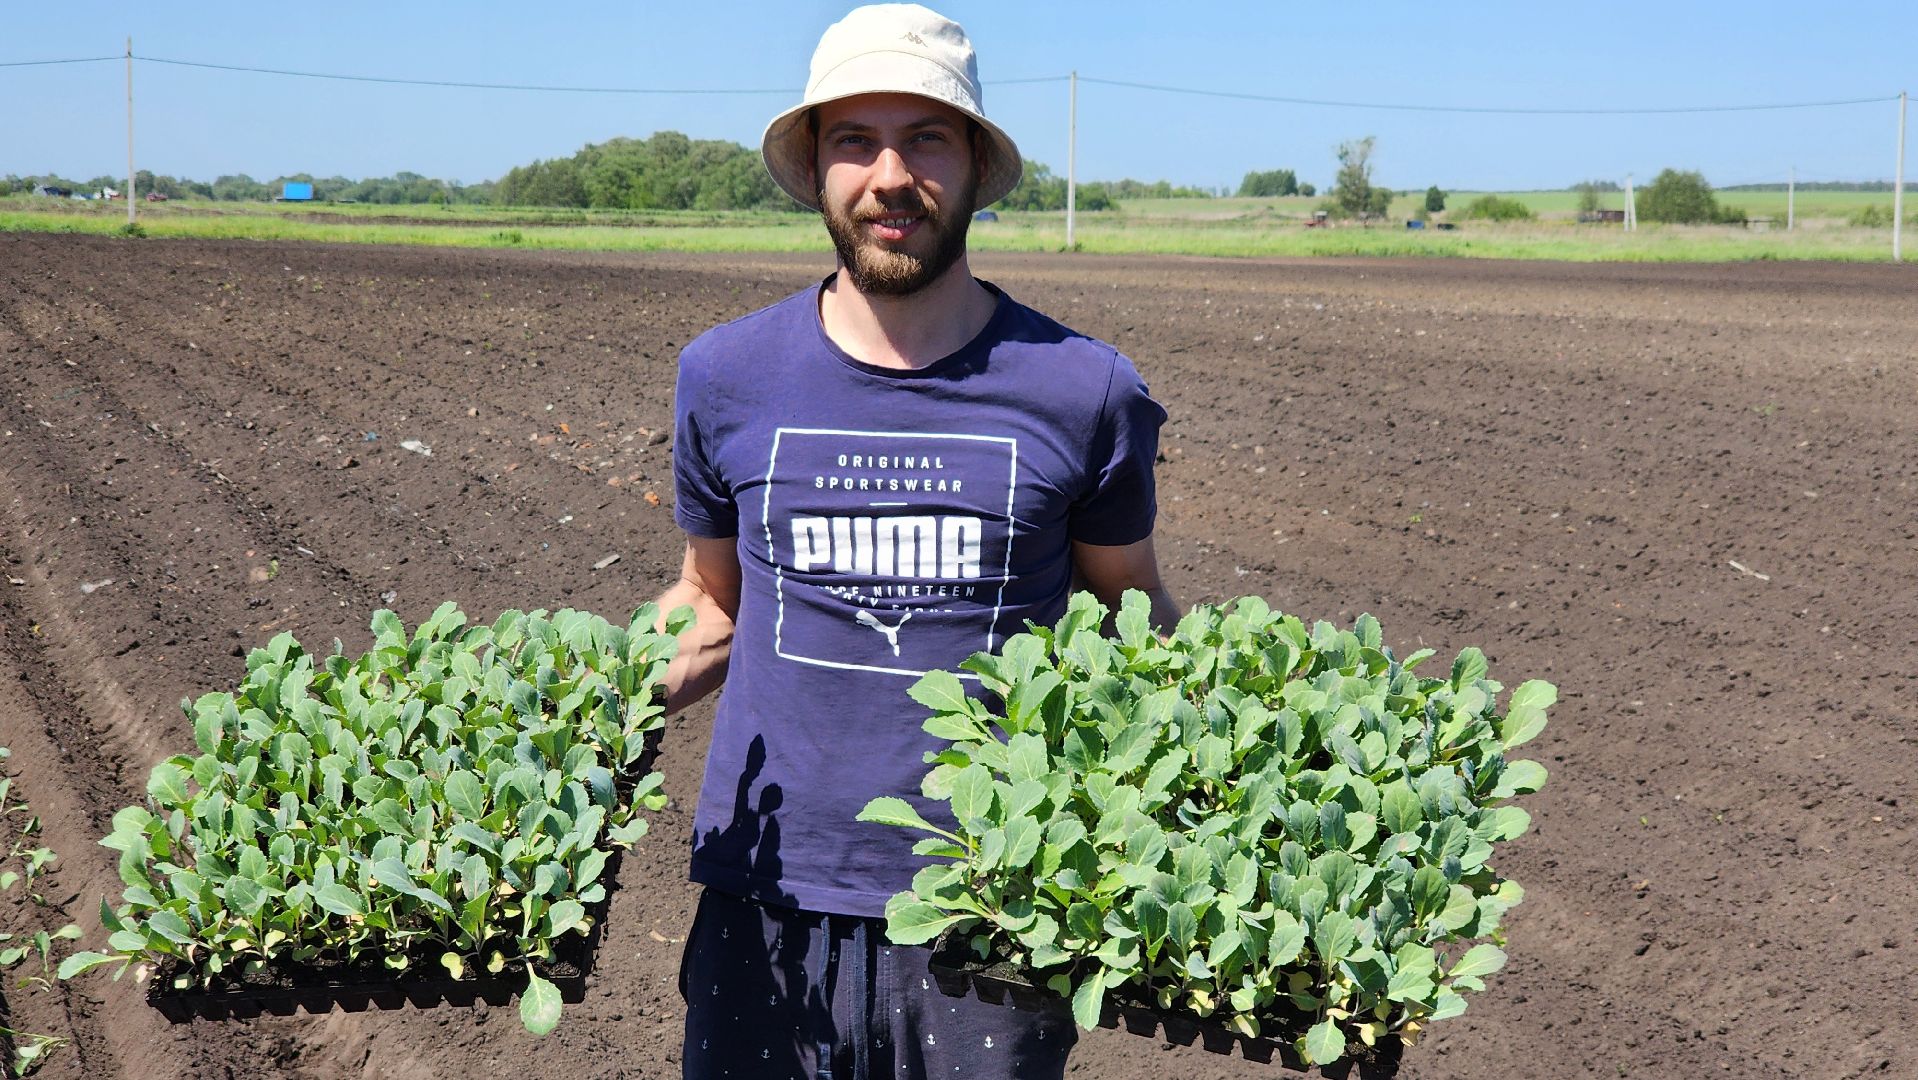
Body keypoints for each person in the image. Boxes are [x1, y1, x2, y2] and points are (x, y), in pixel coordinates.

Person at [652, 6, 1178, 1078]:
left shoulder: (1084, 389)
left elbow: (1134, 616)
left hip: (991, 907)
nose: (890, 174)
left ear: (976, 162)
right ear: (817, 168)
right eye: (855, 140)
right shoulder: (725, 375)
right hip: (768, 892)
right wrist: (561, 706)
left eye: (926, 137)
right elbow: (710, 601)